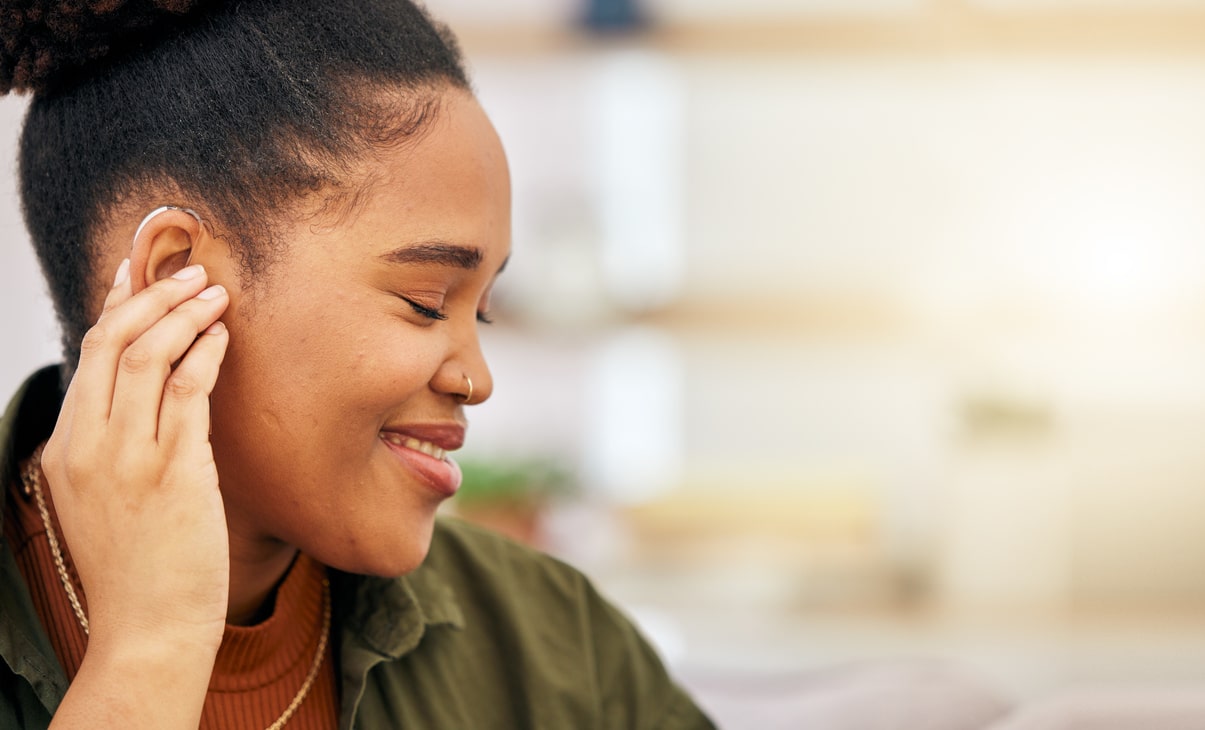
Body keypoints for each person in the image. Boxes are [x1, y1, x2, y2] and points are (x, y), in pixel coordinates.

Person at [0, 0, 715, 727]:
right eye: (426, 301)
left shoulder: (556, 647)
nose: (477, 378)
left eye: (485, 311)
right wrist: (148, 652)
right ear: (176, 278)